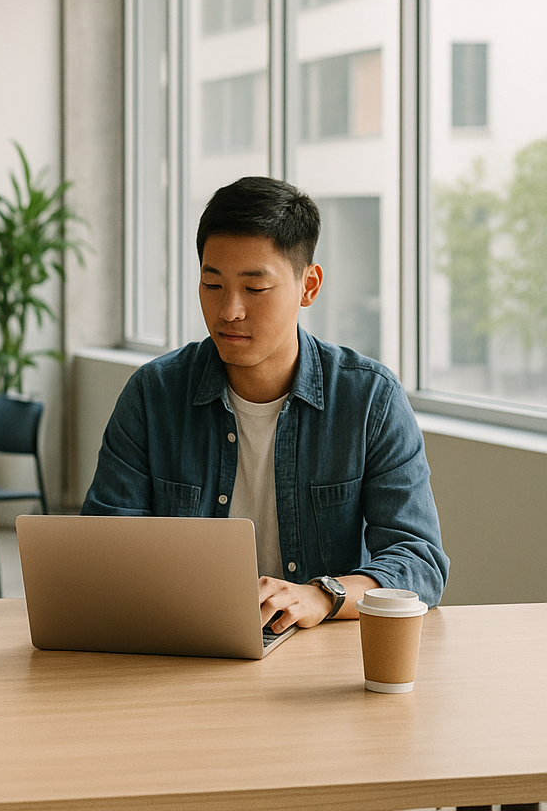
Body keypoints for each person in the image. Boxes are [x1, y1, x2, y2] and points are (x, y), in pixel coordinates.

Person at [83, 176, 448, 632]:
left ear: (308, 286)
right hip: (184, 645)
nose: (229, 311)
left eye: (255, 289)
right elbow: (103, 551)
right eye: (212, 284)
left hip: (319, 655)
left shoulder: (369, 398)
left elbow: (419, 561)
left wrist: (321, 595)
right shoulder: (153, 394)